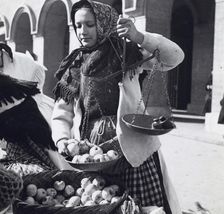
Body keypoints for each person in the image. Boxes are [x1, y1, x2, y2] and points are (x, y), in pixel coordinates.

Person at [51, 0, 184, 213]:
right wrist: (62, 139)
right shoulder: (75, 63)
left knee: (142, 207)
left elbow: (174, 57)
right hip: (91, 155)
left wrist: (140, 37)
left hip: (131, 148)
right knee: (98, 203)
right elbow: (62, 109)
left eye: (89, 24)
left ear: (104, 23)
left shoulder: (126, 52)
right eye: (78, 25)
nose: (82, 31)